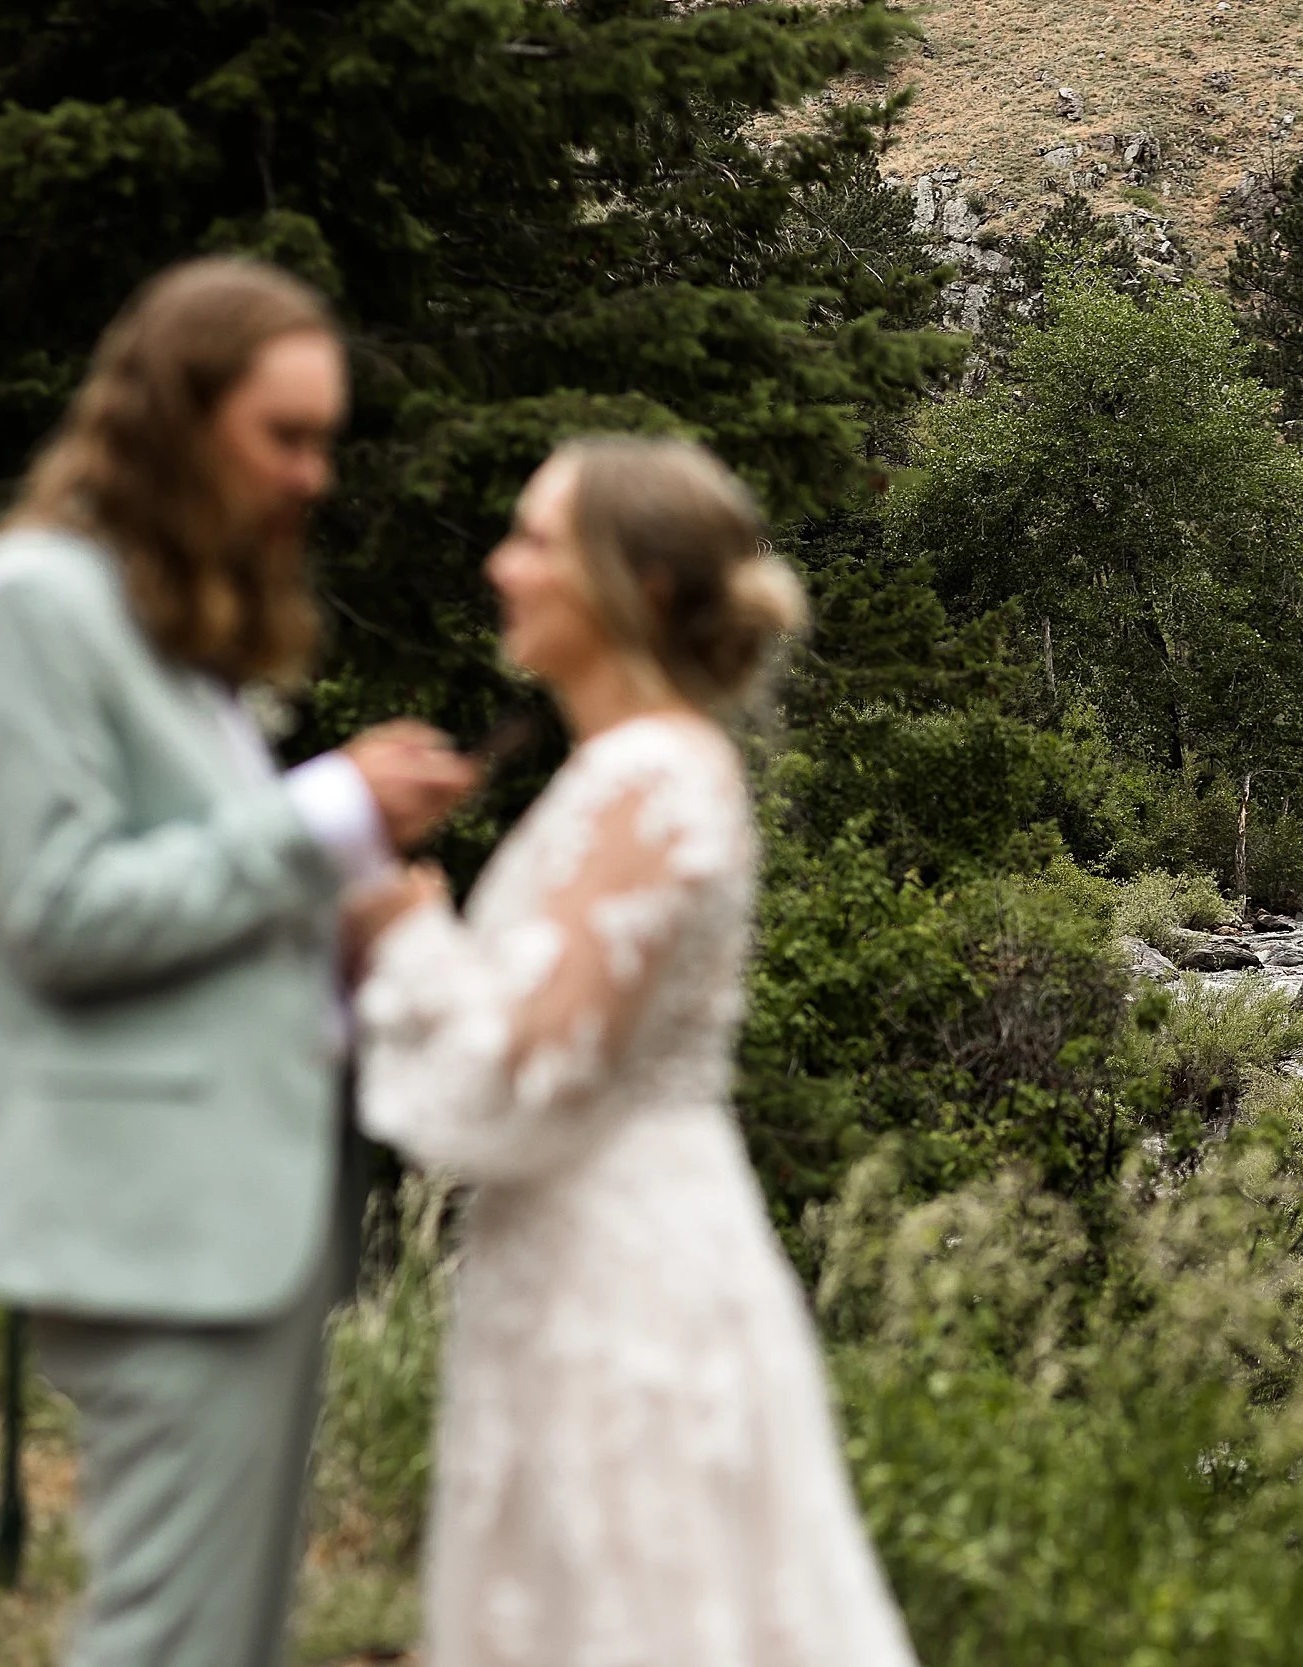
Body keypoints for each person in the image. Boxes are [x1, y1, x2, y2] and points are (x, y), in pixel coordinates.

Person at [0, 256, 476, 1667]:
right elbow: (53, 910)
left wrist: (336, 939)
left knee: (224, 1634)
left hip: (242, 1214)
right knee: (168, 1634)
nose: (311, 477)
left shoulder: (175, 636)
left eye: (325, 442)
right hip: (149, 1218)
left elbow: (190, 906)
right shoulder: (28, 604)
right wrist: (329, 812)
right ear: (174, 418)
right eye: (283, 436)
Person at [344, 437, 916, 1666]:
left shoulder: (653, 779)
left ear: (641, 587)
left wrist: (403, 937)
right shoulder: (618, 773)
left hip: (626, 1275)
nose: (500, 566)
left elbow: (541, 1073)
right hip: (573, 1250)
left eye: (537, 540)